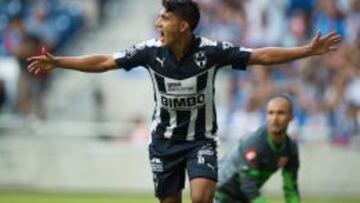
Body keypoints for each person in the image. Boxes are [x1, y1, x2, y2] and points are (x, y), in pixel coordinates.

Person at [26, 1, 341, 202]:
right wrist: (59, 62)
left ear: (183, 25)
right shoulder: (150, 51)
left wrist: (305, 50)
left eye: (164, 17)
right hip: (163, 142)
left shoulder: (212, 50)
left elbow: (260, 55)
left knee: (202, 198)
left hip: (200, 140)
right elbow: (104, 61)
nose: (157, 23)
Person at [215, 95, 300, 203]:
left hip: (244, 197)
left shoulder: (290, 149)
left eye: (281, 113)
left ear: (291, 117)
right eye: (271, 113)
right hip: (220, 191)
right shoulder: (254, 142)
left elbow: (291, 188)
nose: (274, 118)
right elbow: (247, 182)